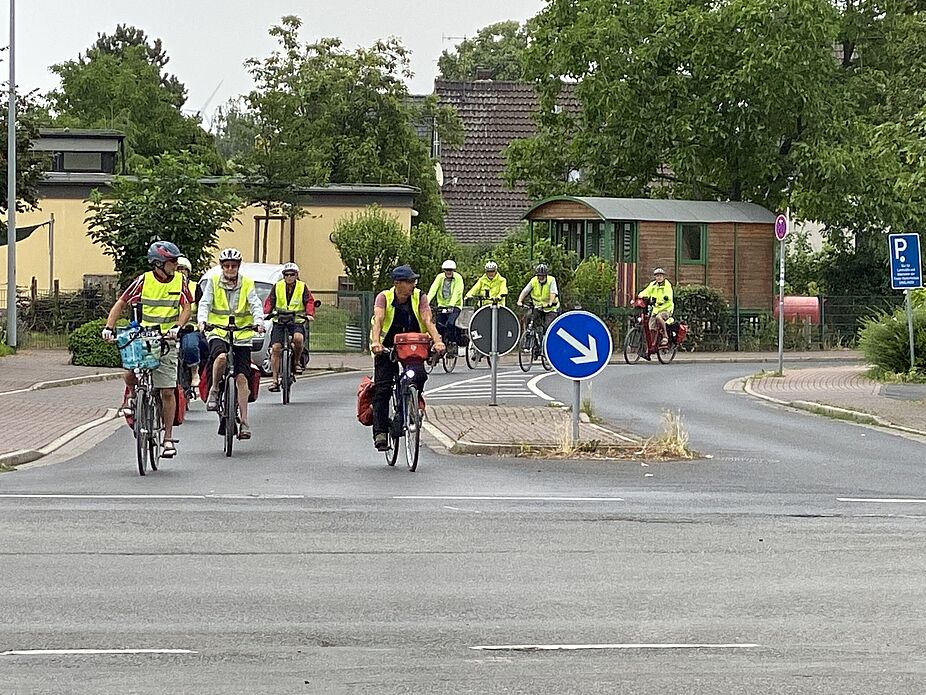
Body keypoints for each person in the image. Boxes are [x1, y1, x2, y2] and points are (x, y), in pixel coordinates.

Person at [101, 240, 192, 459]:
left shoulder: (180, 281)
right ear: (158, 263)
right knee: (130, 371)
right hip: (142, 337)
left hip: (166, 340)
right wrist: (108, 328)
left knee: (167, 391)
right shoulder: (143, 280)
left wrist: (177, 327)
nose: (175, 264)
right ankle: (132, 397)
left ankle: (168, 438)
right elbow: (121, 303)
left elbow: (187, 307)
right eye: (171, 261)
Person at [370, 265, 445, 452]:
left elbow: (427, 320)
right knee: (382, 388)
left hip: (412, 345)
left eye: (414, 281)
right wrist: (376, 343)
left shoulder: (420, 297)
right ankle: (380, 432)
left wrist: (437, 341)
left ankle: (411, 403)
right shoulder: (384, 297)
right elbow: (378, 320)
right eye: (409, 281)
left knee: (418, 375)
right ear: (397, 284)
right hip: (386, 346)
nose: (413, 285)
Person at [197, 248, 265, 440]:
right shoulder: (213, 282)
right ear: (221, 267)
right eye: (226, 266)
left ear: (238, 267)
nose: (230, 269)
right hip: (218, 331)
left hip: (242, 334)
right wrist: (202, 321)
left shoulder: (247, 284)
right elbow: (205, 304)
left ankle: (244, 422)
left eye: (233, 266)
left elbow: (255, 304)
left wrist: (258, 322)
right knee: (220, 357)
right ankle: (215, 389)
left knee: (242, 378)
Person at [263, 262, 316, 392]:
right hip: (279, 321)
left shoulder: (302, 287)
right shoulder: (277, 287)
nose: (289, 277)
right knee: (275, 348)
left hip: (296, 320)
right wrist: (266, 313)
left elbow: (309, 301)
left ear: (296, 275)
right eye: (286, 275)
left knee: (298, 339)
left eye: (292, 274)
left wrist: (309, 314)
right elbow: (270, 301)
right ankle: (275, 380)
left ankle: (297, 362)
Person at [176, 256, 207, 390]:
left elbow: (203, 307)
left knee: (191, 346)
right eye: (178, 269)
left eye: (184, 269)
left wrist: (202, 323)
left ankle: (194, 372)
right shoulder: (167, 287)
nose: (181, 272)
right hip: (169, 328)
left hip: (190, 328)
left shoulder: (194, 287)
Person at [426, 259, 464, 348]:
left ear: (453, 270)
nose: (449, 272)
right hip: (442, 306)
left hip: (455, 306)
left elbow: (457, 292)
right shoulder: (440, 277)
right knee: (439, 326)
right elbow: (433, 289)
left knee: (450, 324)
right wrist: (426, 302)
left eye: (450, 270)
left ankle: (452, 343)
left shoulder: (458, 278)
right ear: (444, 270)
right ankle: (441, 344)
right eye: (447, 270)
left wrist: (451, 304)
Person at [516, 263, 560, 335]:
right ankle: (530, 336)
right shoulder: (533, 281)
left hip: (550, 308)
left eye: (542, 276)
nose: (540, 277)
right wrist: (520, 301)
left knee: (548, 326)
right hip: (538, 307)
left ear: (546, 275)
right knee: (529, 318)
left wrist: (550, 302)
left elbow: (553, 292)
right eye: (539, 276)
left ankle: (545, 341)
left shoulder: (551, 280)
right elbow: (525, 291)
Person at [638, 267, 674, 346]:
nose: (659, 277)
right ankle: (652, 345)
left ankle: (665, 336)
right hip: (656, 309)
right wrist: (639, 296)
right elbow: (646, 291)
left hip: (666, 309)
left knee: (659, 317)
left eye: (660, 276)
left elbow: (668, 295)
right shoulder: (653, 284)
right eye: (657, 276)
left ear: (663, 277)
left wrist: (664, 299)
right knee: (650, 326)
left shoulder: (667, 285)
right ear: (655, 277)